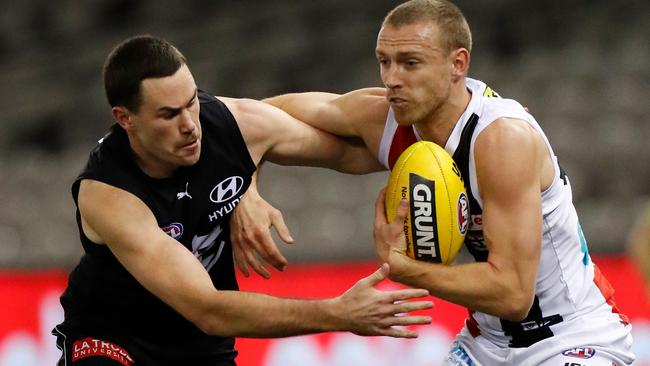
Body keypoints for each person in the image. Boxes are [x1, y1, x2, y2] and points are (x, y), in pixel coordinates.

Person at [235, 0, 635, 364]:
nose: (391, 78)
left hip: (572, 336)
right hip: (485, 343)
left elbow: (513, 294)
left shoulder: (501, 138)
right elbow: (254, 117)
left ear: (458, 64)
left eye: (410, 63)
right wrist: (245, 193)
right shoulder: (386, 118)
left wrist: (405, 270)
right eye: (384, 61)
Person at [52, 35, 435, 366]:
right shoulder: (109, 194)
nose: (190, 125)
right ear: (125, 118)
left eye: (191, 102)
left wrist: (444, 131)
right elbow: (208, 309)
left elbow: (350, 150)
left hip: (198, 348)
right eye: (168, 115)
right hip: (113, 340)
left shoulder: (230, 123)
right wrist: (338, 312)